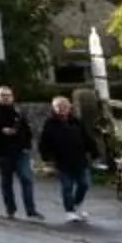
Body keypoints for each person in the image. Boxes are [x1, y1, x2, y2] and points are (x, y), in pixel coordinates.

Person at [36, 94, 97, 223]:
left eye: (65, 106)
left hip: (79, 159)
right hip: (62, 161)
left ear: (70, 107)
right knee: (67, 187)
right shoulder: (50, 124)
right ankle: (69, 211)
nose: (62, 109)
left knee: (84, 184)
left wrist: (94, 151)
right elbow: (44, 143)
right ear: (54, 108)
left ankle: (76, 205)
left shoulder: (76, 121)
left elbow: (87, 137)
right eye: (58, 107)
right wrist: (47, 158)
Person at [0, 85, 40, 219]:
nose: (5, 98)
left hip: (20, 151)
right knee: (7, 181)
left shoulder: (18, 112)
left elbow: (27, 130)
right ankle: (10, 209)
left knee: (26, 178)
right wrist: (1, 132)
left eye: (8, 95)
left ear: (12, 96)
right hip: (3, 152)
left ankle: (31, 210)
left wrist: (26, 145)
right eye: (2, 95)